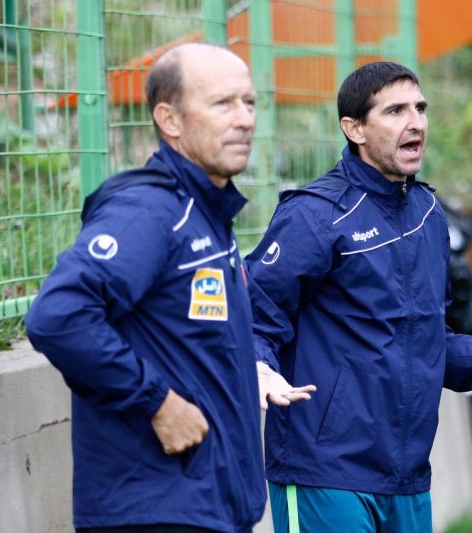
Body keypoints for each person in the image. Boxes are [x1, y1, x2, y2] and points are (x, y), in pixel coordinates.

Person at [246, 61, 472, 532]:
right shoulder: (313, 216)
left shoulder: (429, 215)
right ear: (355, 129)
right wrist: (259, 367)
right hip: (324, 472)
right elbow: (252, 318)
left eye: (420, 108)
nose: (416, 122)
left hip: (407, 478)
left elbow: (430, 343)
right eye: (395, 111)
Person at [24, 43, 306, 533]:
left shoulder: (207, 214)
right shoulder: (149, 211)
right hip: (157, 508)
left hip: (209, 505)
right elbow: (58, 316)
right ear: (169, 119)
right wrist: (156, 401)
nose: (244, 119)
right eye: (223, 103)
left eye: (249, 102)